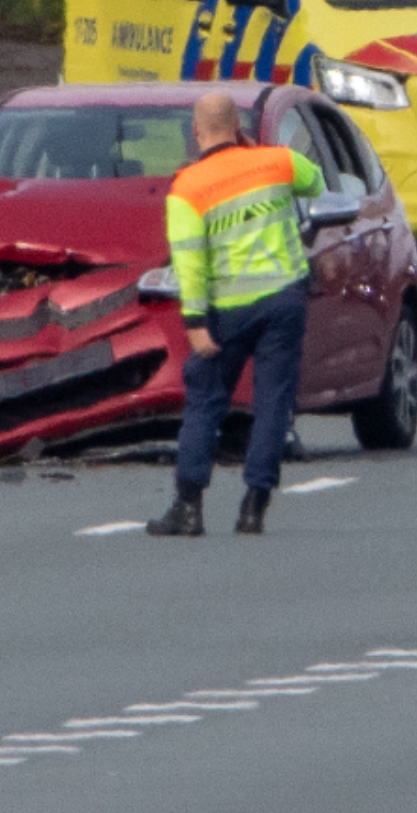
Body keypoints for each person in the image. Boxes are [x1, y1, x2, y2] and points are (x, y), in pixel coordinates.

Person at [146, 92, 323, 537]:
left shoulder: (187, 188)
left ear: (197, 132)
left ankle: (188, 508)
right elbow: (316, 182)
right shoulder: (277, 163)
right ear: (238, 127)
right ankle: (254, 506)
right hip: (284, 300)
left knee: (205, 403)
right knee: (273, 404)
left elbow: (190, 261)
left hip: (226, 312)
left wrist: (195, 322)